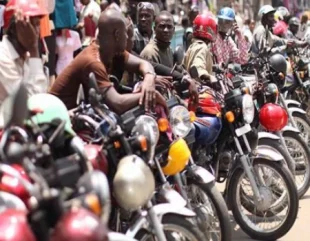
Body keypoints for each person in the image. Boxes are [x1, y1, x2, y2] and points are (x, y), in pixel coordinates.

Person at [50, 9, 166, 115]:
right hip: (58, 122)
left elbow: (143, 64)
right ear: (116, 35)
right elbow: (117, 104)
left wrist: (149, 78)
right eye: (125, 33)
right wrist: (152, 95)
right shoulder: (92, 61)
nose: (127, 37)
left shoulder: (113, 52)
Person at [0, 0, 48, 106]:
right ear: (16, 28)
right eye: (31, 25)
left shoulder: (26, 56)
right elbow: (32, 104)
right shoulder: (2, 58)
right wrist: (34, 49)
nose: (36, 31)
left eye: (37, 25)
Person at [183, 14, 217, 84]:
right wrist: (209, 77)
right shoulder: (202, 47)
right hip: (199, 89)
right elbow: (197, 66)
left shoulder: (193, 45)